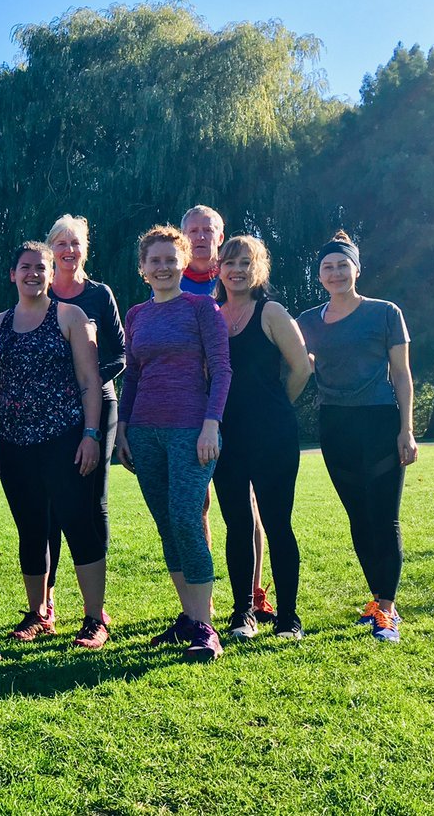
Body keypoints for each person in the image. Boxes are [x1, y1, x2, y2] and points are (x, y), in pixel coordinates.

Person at [0, 242, 108, 649]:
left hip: (65, 439)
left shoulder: (70, 316)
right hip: (15, 444)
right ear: (13, 274)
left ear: (52, 275)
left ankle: (94, 619)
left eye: (41, 268)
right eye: (25, 267)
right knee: (31, 530)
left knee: (79, 524)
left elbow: (89, 381)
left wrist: (91, 435)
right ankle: (38, 614)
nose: (33, 274)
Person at [116, 226, 232, 661]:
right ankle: (188, 617)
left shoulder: (202, 308)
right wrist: (122, 427)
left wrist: (211, 424)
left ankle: (206, 626)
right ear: (143, 268)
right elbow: (133, 375)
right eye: (155, 260)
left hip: (191, 430)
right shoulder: (136, 315)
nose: (163, 267)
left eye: (171, 259)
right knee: (167, 524)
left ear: (184, 263)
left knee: (186, 518)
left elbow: (222, 370)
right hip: (144, 432)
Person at [297, 231, 418, 643]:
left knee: (384, 517)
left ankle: (388, 609)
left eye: (342, 265)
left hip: (380, 423)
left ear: (357, 269)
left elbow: (401, 374)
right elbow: (296, 364)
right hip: (335, 425)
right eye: (327, 267)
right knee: (359, 517)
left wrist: (406, 429)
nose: (335, 273)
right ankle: (376, 599)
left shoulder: (385, 312)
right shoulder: (308, 321)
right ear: (319, 275)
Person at [213, 237, 311, 641]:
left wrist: (276, 404)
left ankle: (288, 617)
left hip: (273, 436)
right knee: (237, 525)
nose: (237, 270)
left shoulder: (271, 312)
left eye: (245, 262)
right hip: (226, 438)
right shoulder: (213, 315)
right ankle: (243, 613)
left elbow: (302, 367)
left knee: (277, 523)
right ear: (219, 269)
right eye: (229, 262)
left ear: (258, 268)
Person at [180, 204, 274, 621]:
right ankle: (205, 600)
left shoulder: (239, 281)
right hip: (189, 412)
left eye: (208, 230)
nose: (201, 237)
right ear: (184, 237)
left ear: (220, 238)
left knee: (246, 504)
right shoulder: (169, 277)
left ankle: (253, 593)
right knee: (195, 505)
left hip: (238, 414)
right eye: (194, 231)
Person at [42, 215, 125, 631]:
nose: (68, 250)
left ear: (84, 249)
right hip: (49, 414)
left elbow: (121, 352)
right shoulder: (39, 292)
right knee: (50, 506)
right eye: (61, 243)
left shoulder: (99, 294)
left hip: (100, 406)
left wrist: (87, 382)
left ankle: (96, 607)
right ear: (50, 250)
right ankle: (46, 602)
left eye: (75, 243)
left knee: (94, 501)